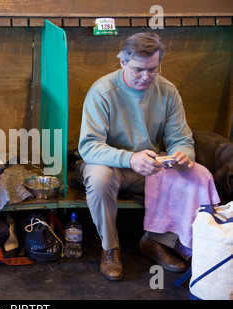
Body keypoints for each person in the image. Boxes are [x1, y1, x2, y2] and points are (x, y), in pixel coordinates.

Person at [78, 32, 219, 281]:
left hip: (151, 166)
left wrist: (184, 155)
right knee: (99, 177)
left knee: (199, 174)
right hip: (112, 165)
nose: (146, 76)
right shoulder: (102, 92)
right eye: (138, 69)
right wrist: (130, 159)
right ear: (122, 62)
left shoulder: (167, 91)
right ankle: (110, 247)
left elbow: (180, 138)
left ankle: (158, 241)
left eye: (153, 69)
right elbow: (89, 147)